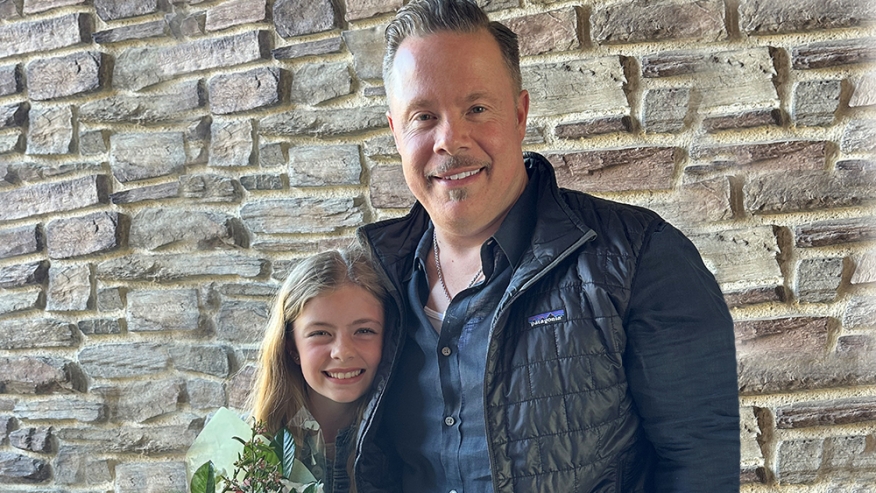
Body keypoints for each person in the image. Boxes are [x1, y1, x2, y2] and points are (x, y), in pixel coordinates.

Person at [354, 0, 741, 491]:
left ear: (519, 114)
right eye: (424, 116)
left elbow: (701, 468)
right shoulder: (371, 282)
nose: (450, 140)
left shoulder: (641, 258)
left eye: (476, 108)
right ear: (395, 132)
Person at [249, 248, 387, 493]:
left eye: (364, 331)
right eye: (320, 333)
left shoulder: (408, 445)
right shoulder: (249, 445)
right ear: (291, 347)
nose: (342, 352)